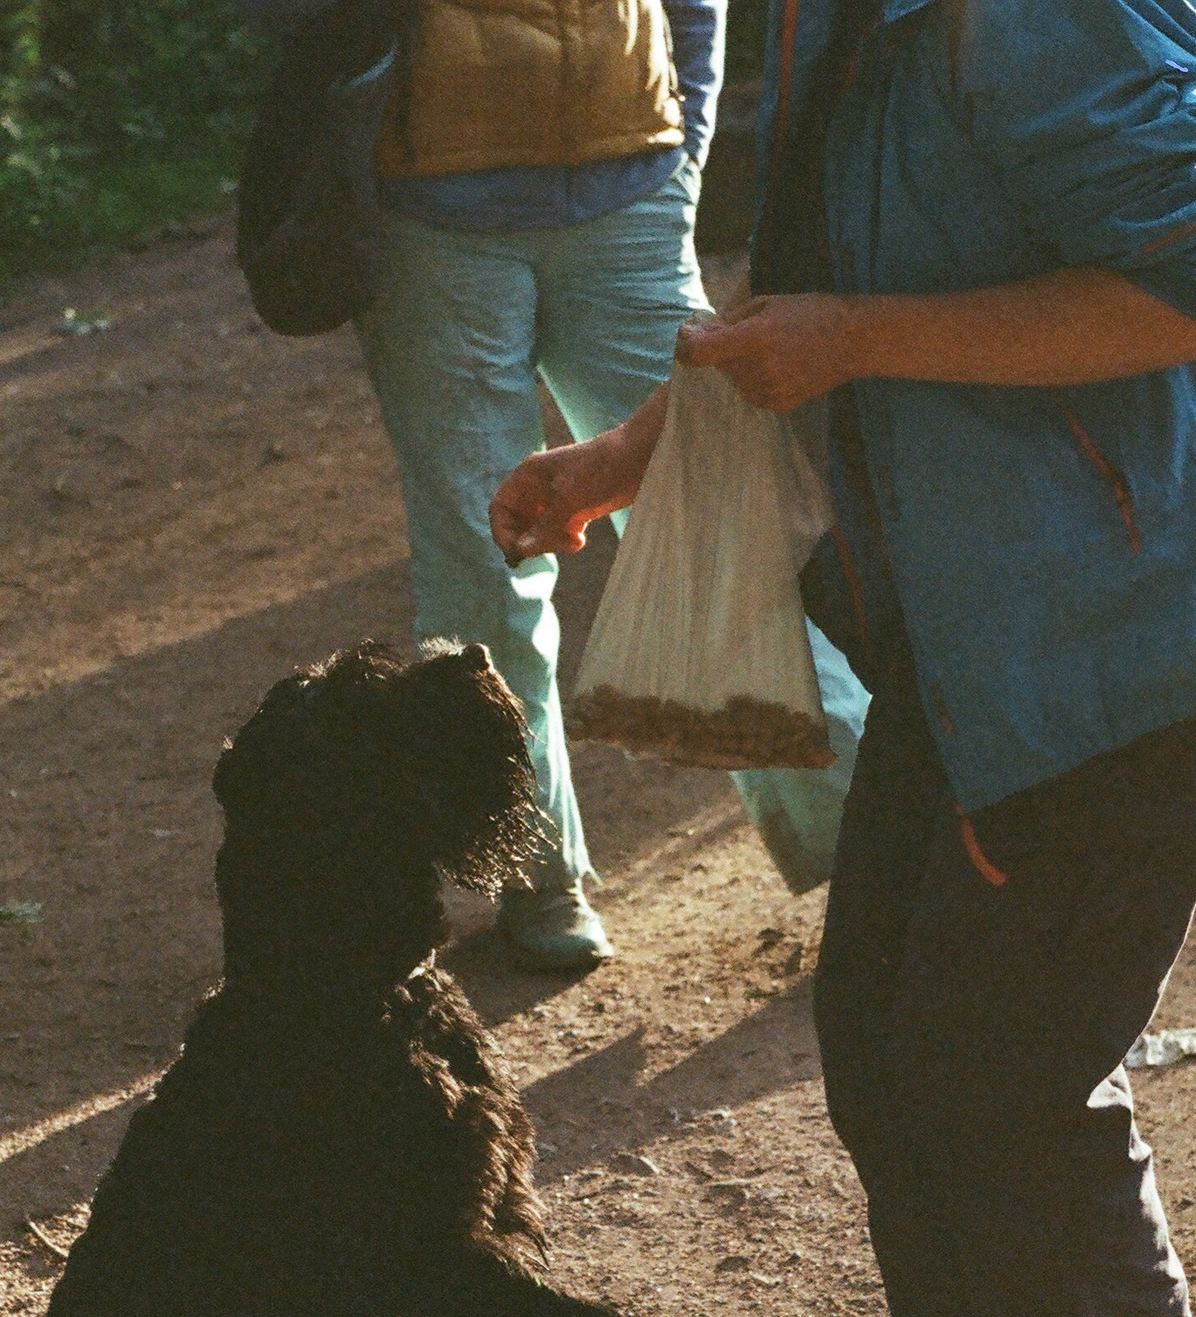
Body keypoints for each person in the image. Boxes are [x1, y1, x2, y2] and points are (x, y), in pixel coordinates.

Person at [491, 0, 1196, 1317]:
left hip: (1121, 630)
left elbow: (1186, 290)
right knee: (890, 1024)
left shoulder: (1049, 14)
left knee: (1002, 1057)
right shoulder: (859, 17)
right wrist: (624, 454)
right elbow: (810, 305)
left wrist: (867, 341)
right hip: (982, 624)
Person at [348, 0, 869, 969]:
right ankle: (530, 873)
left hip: (631, 196)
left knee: (721, 522)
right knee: (481, 568)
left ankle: (873, 842)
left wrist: (683, 153)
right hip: (426, 220)